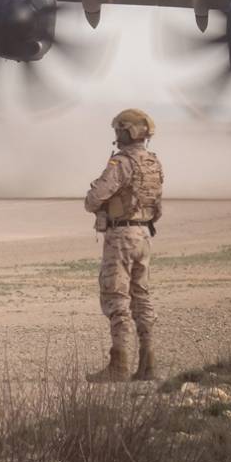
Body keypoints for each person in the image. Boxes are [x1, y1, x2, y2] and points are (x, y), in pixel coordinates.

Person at [83, 108, 164, 382]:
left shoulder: (123, 163)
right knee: (141, 297)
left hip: (121, 237)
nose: (116, 135)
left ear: (127, 131)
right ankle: (148, 364)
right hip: (144, 235)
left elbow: (94, 199)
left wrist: (99, 202)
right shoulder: (153, 163)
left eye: (119, 129)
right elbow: (157, 207)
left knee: (116, 297)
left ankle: (118, 366)